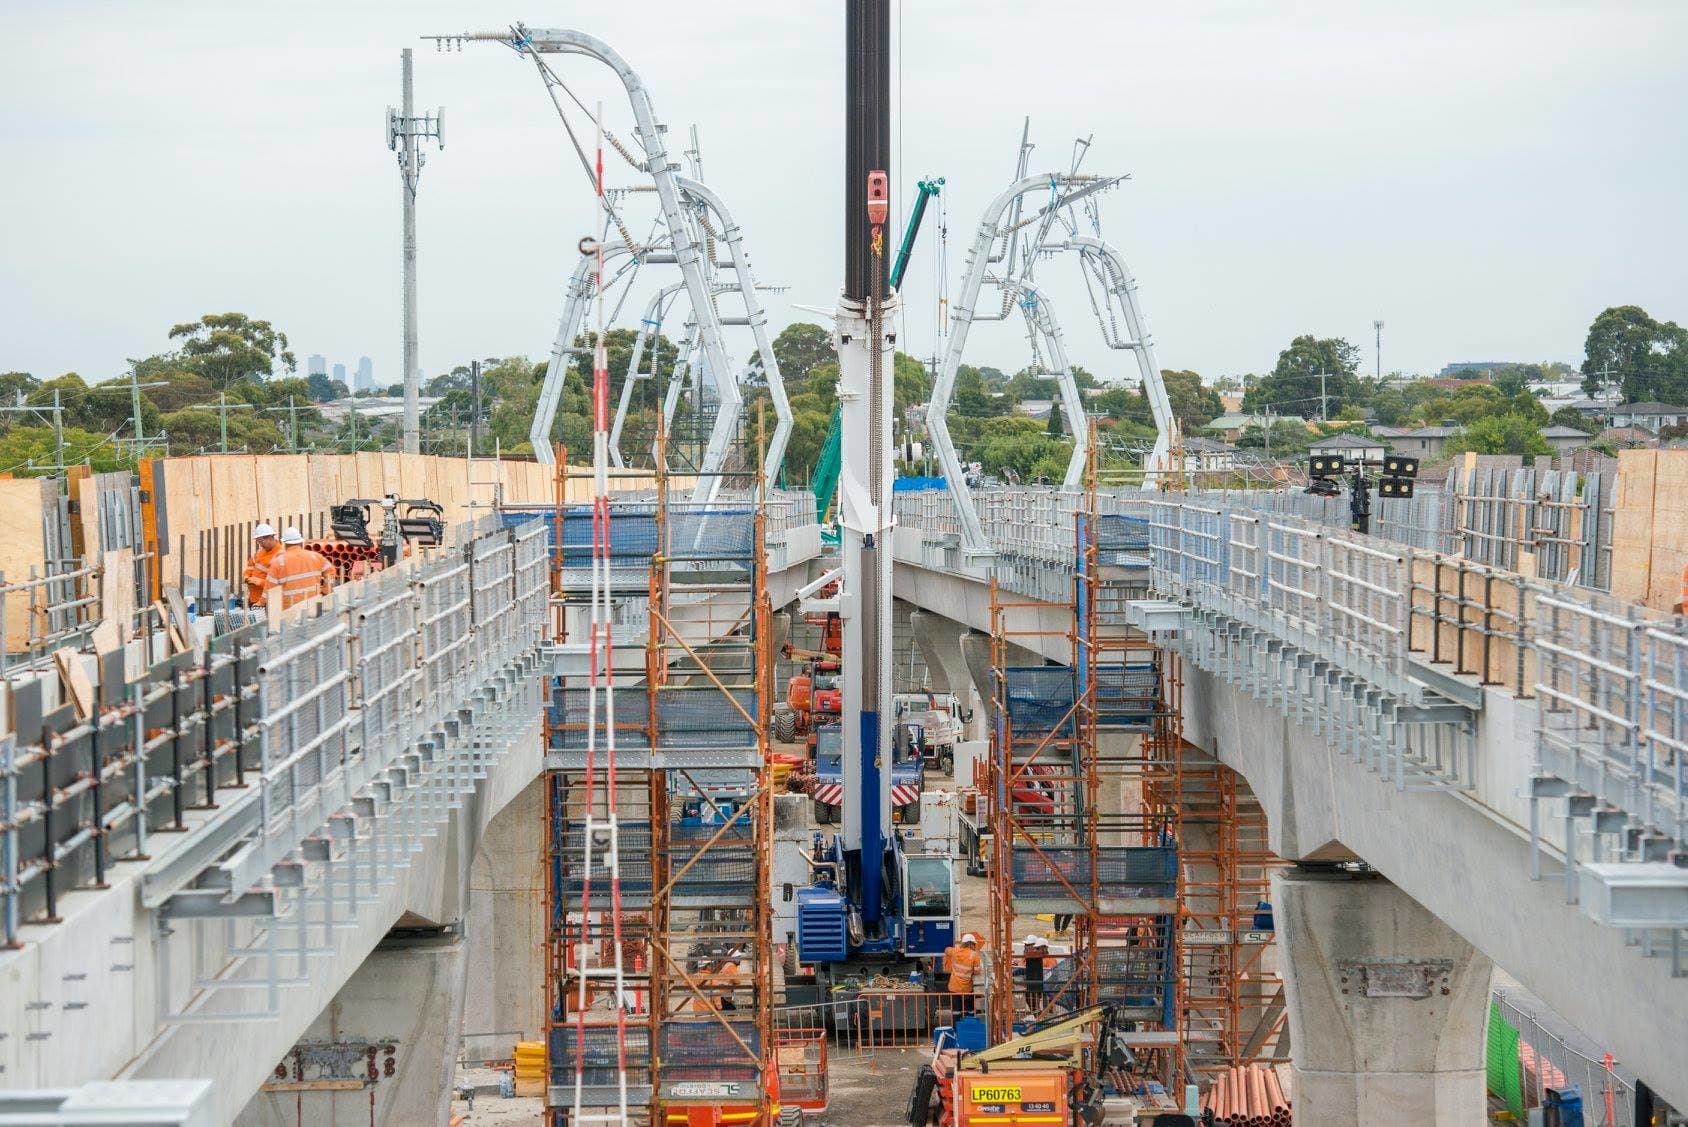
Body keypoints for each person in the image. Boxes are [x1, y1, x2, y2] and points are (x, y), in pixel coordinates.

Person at [261, 527, 335, 610]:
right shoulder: (315, 556)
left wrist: (261, 603)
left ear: (285, 543)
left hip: (290, 610)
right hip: (313, 605)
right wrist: (325, 590)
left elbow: (269, 589)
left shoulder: (278, 562)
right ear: (301, 542)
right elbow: (331, 571)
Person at [241, 523, 281, 607]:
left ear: (270, 538)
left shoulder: (280, 555)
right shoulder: (260, 551)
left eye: (261, 541)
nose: (260, 545)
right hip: (254, 599)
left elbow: (279, 583)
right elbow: (250, 567)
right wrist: (246, 577)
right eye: (258, 542)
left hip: (267, 601)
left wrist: (260, 582)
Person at [943, 932, 982, 1015]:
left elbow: (946, 950)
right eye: (974, 944)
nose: (975, 946)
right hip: (967, 989)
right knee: (970, 1011)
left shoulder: (955, 951)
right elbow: (977, 971)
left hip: (954, 988)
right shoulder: (974, 955)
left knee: (956, 1012)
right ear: (970, 944)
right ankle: (969, 1025)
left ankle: (956, 1027)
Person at [1021, 935, 1049, 1013]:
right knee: (1029, 997)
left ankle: (1038, 1013)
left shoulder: (1037, 954)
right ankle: (1037, 1013)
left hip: (1036, 982)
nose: (1025, 947)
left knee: (1034, 997)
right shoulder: (1029, 953)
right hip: (1032, 981)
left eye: (1027, 945)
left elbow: (1045, 952)